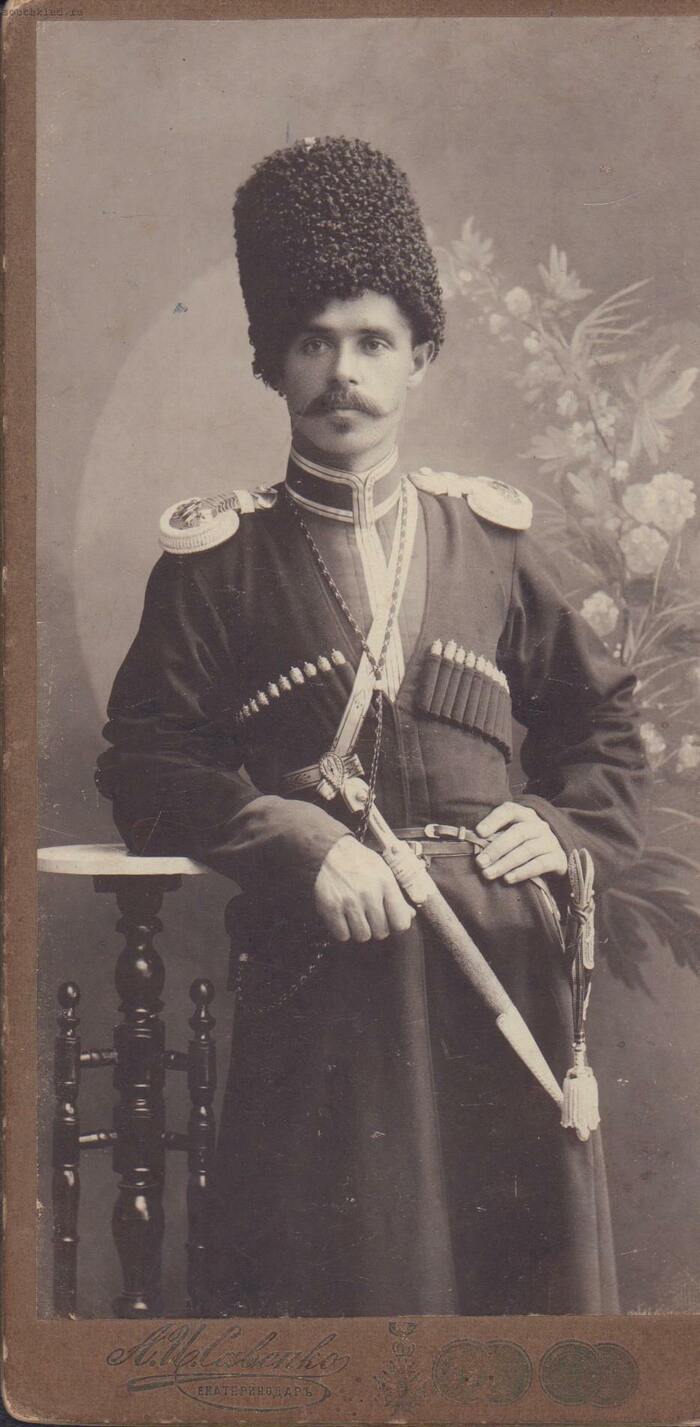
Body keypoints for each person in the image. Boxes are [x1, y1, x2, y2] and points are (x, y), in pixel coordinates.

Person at [96, 136, 648, 1318]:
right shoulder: (216, 566)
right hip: (332, 989)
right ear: (272, 361)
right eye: (312, 341)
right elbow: (147, 760)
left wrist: (558, 826)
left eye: (372, 341)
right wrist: (297, 842)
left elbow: (603, 726)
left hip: (505, 984)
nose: (341, 372)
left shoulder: (491, 544)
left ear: (421, 359)